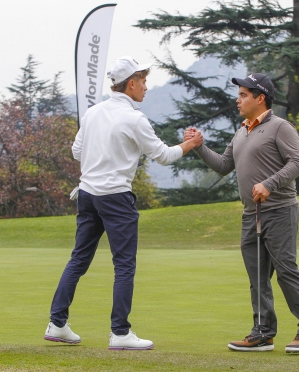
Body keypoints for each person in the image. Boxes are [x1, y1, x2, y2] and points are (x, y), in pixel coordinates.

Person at [44, 56, 203, 350]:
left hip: (88, 195)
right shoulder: (134, 118)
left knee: (79, 259)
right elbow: (164, 156)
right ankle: (120, 332)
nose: (146, 87)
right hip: (116, 197)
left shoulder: (93, 113)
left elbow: (77, 152)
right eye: (143, 81)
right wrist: (190, 144)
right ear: (131, 84)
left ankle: (57, 323)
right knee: (124, 265)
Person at [184, 73, 299, 353]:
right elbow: (223, 165)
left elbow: (297, 163)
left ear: (260, 98)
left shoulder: (280, 127)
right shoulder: (242, 131)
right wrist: (199, 147)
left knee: (286, 270)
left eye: (244, 95)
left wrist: (269, 184)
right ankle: (263, 333)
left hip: (280, 211)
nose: (238, 100)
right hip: (251, 215)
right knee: (257, 277)